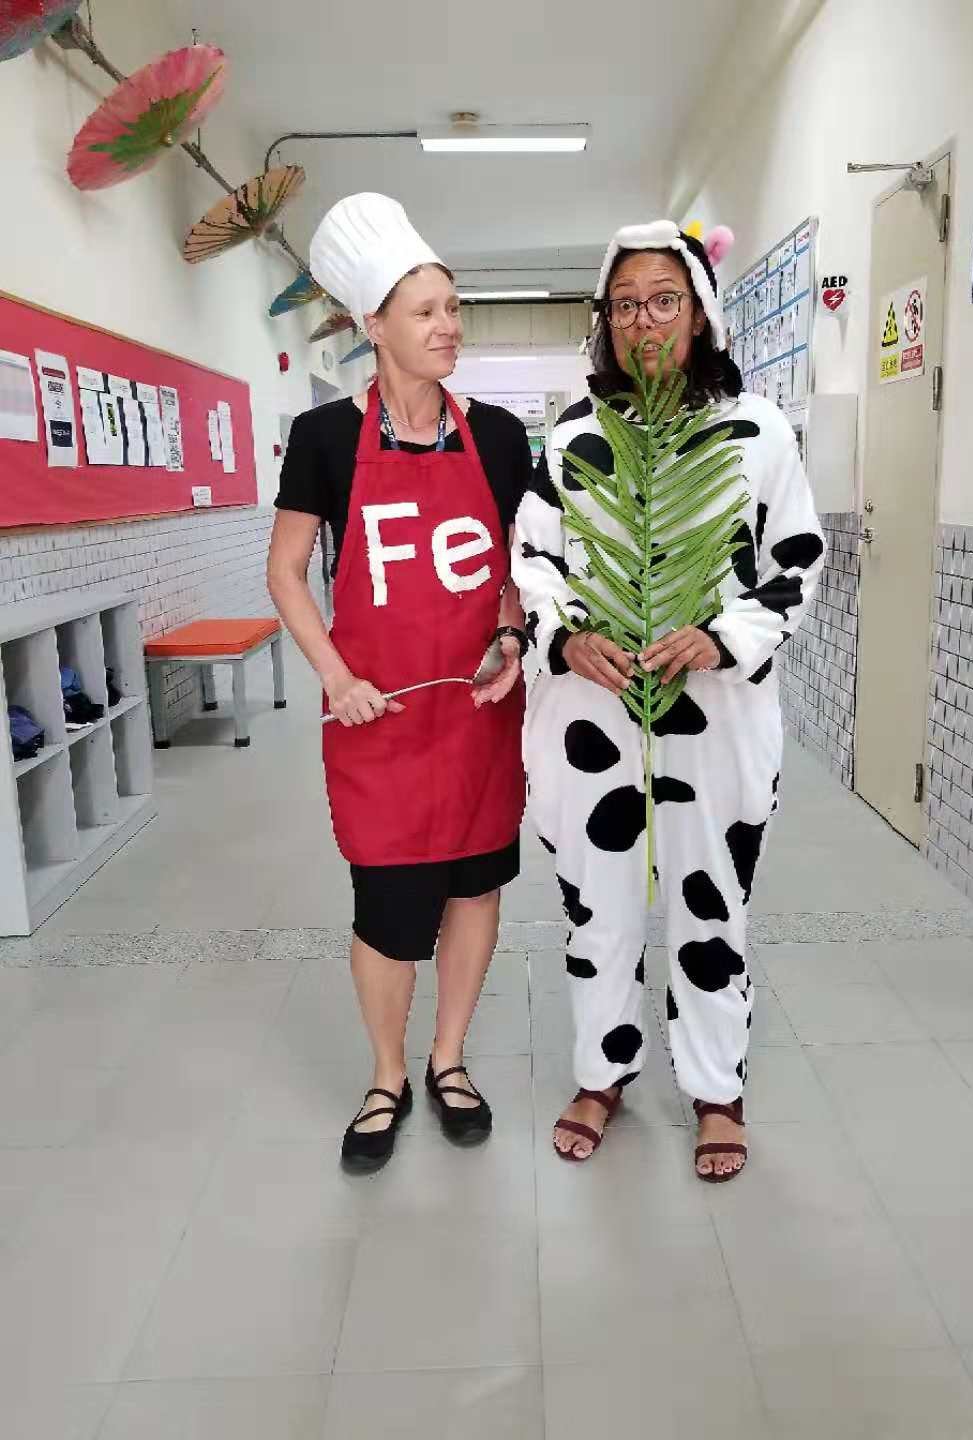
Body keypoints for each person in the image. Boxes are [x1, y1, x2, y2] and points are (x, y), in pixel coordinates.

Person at [513, 220, 825, 1181]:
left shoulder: (758, 430)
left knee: (711, 902)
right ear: (605, 322)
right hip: (593, 716)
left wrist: (722, 638)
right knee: (597, 909)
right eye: (625, 305)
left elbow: (797, 562)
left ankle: (716, 1088)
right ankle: (602, 1073)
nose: (643, 321)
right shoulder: (573, 438)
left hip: (714, 716)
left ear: (698, 315)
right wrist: (567, 636)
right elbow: (534, 560)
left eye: (663, 301)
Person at [268, 193, 531, 1171]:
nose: (448, 326)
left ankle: (448, 1058)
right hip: (376, 723)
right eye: (425, 312)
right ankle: (386, 1075)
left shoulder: (498, 438)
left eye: (453, 308)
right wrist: (336, 675)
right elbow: (285, 572)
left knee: (475, 890)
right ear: (371, 325)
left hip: (477, 715)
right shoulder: (324, 439)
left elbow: (516, 569)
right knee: (386, 911)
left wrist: (511, 635)